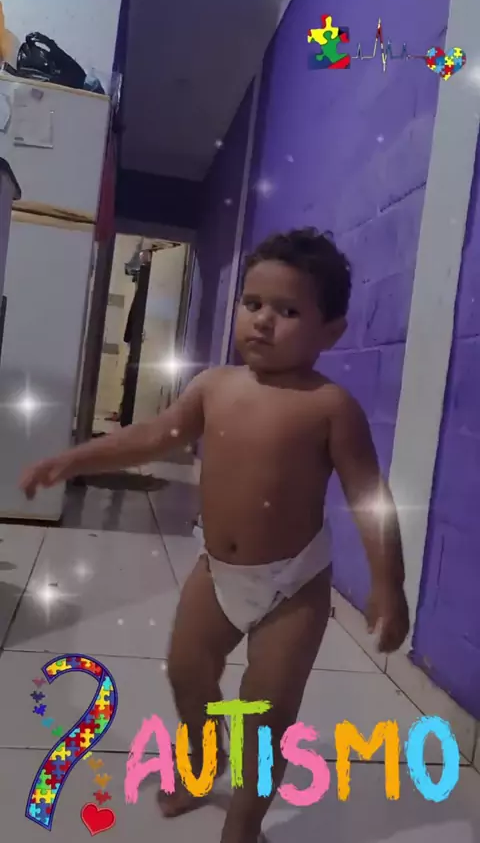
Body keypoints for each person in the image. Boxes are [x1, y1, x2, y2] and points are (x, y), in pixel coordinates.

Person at [20, 228, 409, 843]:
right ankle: (204, 762)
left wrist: (388, 585)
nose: (263, 321)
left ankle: (244, 823)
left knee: (266, 711)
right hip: (217, 571)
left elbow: (369, 495)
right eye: (253, 303)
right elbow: (153, 437)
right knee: (186, 670)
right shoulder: (212, 387)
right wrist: (73, 458)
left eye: (288, 311)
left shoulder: (330, 407)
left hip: (293, 583)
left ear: (331, 331)